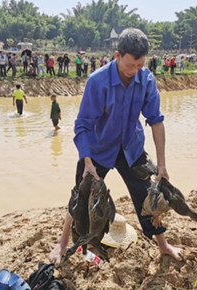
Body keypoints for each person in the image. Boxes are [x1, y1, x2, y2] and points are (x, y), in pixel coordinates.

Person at [48, 28, 182, 266]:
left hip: (132, 148)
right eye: (130, 65)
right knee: (80, 196)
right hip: (99, 149)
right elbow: (83, 125)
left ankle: (163, 245)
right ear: (118, 56)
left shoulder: (147, 80)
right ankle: (61, 244)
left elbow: (156, 121)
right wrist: (86, 159)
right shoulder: (97, 82)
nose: (134, 71)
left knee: (147, 197)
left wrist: (162, 164)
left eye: (140, 66)